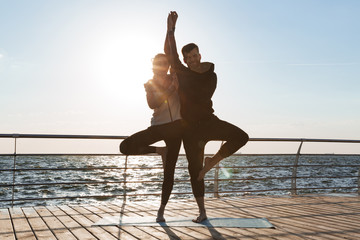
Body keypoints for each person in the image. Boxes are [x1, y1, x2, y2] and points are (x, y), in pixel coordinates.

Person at [164, 11, 249, 223]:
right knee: (195, 171)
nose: (192, 60)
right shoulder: (183, 72)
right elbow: (170, 52)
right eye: (188, 58)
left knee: (241, 136)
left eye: (195, 56)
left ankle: (213, 161)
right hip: (190, 129)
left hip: (210, 122)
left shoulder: (212, 74)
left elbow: (204, 94)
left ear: (200, 55)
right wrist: (170, 30)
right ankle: (202, 212)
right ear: (185, 60)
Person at [119, 53, 183, 222]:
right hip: (157, 127)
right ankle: (159, 150)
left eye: (165, 64)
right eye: (158, 64)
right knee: (125, 147)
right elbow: (152, 104)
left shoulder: (176, 78)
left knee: (169, 173)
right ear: (154, 66)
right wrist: (171, 90)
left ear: (168, 66)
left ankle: (161, 210)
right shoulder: (150, 84)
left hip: (176, 129)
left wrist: (171, 29)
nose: (162, 67)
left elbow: (171, 48)